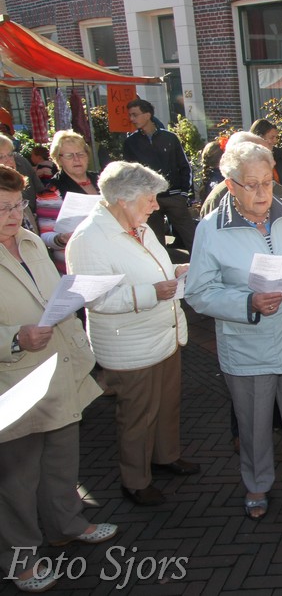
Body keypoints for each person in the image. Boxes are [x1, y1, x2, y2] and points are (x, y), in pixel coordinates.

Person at [185, 141, 282, 520]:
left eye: (267, 182)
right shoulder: (212, 229)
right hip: (249, 345)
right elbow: (199, 292)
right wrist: (247, 303)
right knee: (253, 423)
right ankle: (257, 482)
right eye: (251, 185)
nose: (262, 193)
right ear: (230, 184)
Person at [0, 166, 117, 594]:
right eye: (3, 208)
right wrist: (14, 338)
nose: (14, 216)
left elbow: (54, 298)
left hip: (58, 371)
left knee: (61, 463)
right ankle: (19, 560)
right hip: (13, 384)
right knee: (15, 481)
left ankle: (66, 525)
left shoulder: (31, 241)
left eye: (18, 205)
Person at [65, 161, 196, 507]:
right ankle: (135, 481)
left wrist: (176, 270)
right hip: (129, 346)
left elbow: (152, 268)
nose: (155, 205)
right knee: (137, 416)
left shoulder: (140, 225)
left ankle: (166, 456)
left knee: (166, 404)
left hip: (163, 336)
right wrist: (151, 293)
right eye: (149, 198)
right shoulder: (88, 240)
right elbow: (94, 299)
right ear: (123, 199)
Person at [123, 98, 196, 252]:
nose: (131, 119)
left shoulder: (170, 138)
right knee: (155, 243)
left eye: (135, 115)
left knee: (193, 238)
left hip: (174, 196)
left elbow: (184, 165)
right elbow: (131, 174)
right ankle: (164, 266)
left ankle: (204, 264)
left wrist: (184, 194)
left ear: (147, 115)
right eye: (130, 115)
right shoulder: (130, 143)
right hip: (148, 198)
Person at [36, 130, 100, 273]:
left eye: (81, 154)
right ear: (58, 159)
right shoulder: (51, 191)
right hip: (75, 264)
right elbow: (45, 236)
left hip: (105, 258)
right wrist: (62, 238)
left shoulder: (102, 181)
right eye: (69, 156)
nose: (76, 159)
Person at [0, 133, 44, 234]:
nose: (9, 161)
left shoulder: (18, 186)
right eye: (0, 157)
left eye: (10, 155)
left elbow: (40, 191)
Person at [250, 118, 282, 186]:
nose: (275, 141)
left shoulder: (279, 157)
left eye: (276, 137)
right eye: (272, 137)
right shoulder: (248, 161)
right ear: (259, 138)